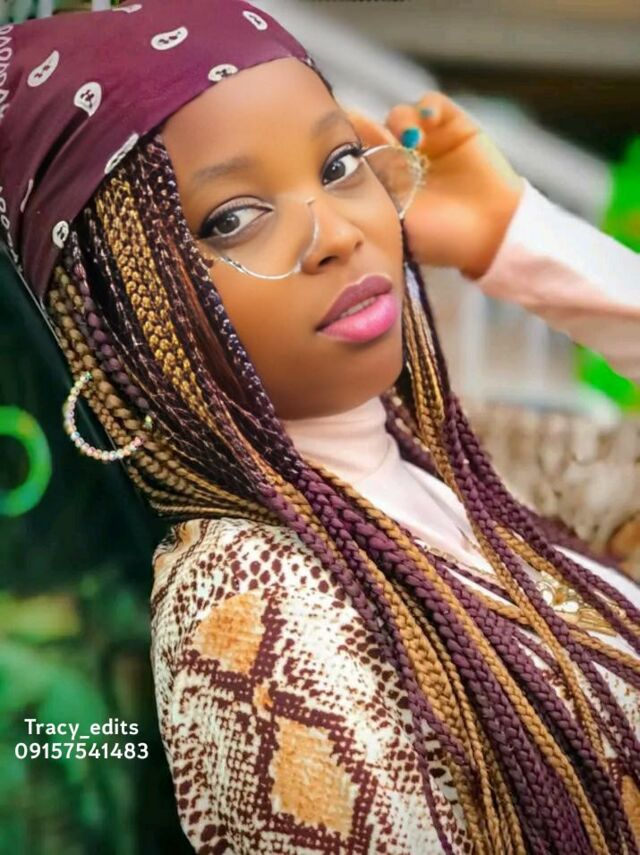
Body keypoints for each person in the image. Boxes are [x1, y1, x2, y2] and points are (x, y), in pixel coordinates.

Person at [1, 1, 639, 853]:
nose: (337, 232)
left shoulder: (468, 459)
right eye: (234, 217)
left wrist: (513, 237)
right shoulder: (246, 605)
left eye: (340, 165)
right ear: (119, 318)